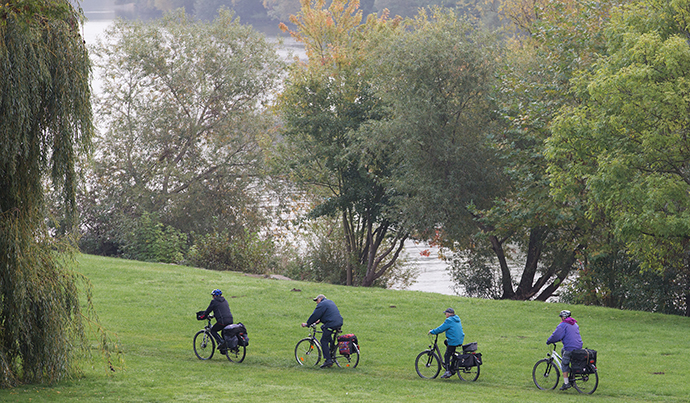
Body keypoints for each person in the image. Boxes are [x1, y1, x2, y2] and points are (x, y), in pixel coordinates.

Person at [301, 294, 343, 368]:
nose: (317, 302)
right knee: (323, 327)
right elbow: (329, 314)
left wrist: (307, 324)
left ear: (320, 299)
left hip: (331, 324)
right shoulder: (329, 302)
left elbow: (315, 315)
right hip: (338, 322)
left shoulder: (322, 304)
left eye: (316, 300)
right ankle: (332, 346)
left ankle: (328, 360)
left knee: (323, 341)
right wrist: (319, 321)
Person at [546, 309, 583, 390]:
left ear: (563, 317)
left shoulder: (563, 325)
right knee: (563, 350)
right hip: (578, 346)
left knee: (564, 364)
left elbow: (556, 335)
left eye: (561, 317)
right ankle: (570, 373)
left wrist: (549, 341)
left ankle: (566, 383)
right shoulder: (575, 324)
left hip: (570, 347)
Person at [429, 307, 465, 378]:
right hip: (459, 339)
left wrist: (432, 331)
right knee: (446, 342)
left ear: (448, 314)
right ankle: (453, 364)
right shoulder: (457, 319)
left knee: (446, 355)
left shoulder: (449, 320)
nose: (445, 315)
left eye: (445, 313)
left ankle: (448, 371)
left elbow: (441, 328)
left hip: (453, 341)